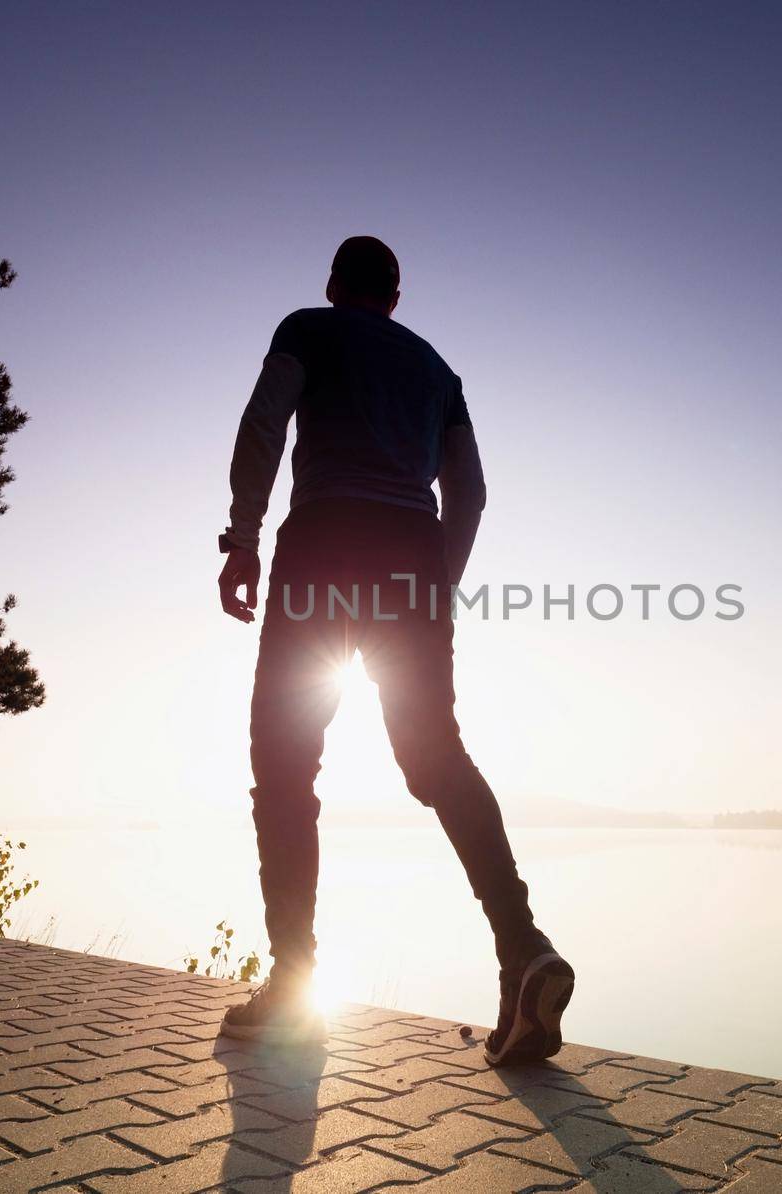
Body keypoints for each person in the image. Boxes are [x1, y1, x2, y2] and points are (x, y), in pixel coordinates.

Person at [215, 236, 573, 1065]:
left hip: (326, 540)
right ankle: (522, 947)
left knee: (286, 756)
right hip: (413, 549)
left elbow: (266, 422)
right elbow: (472, 492)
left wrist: (242, 536)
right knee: (436, 754)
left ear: (336, 285)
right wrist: (434, 586)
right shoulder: (438, 372)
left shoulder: (309, 327)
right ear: (397, 299)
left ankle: (294, 988)